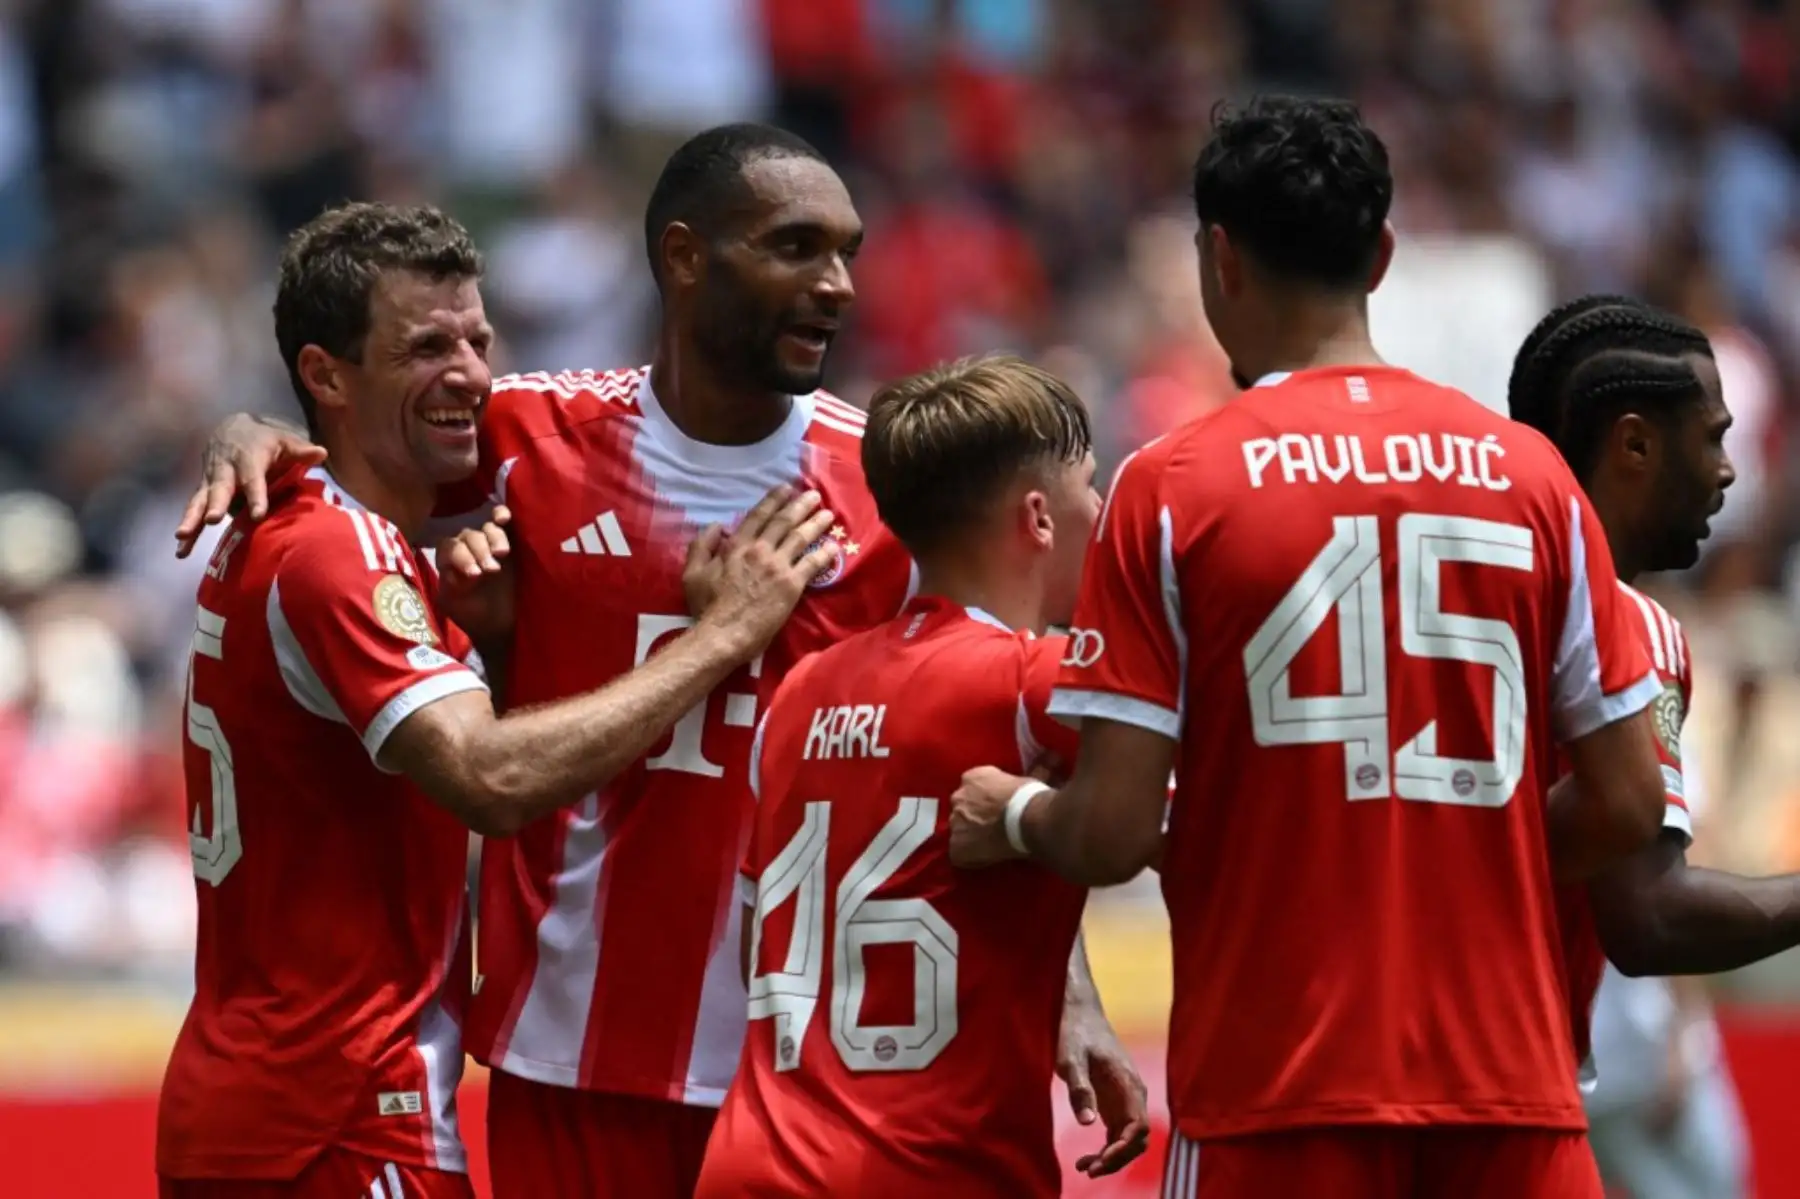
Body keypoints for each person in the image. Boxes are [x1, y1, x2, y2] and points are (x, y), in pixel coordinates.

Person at [172, 125, 1140, 1198]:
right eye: (796, 247)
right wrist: (257, 432)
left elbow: (989, 743)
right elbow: (353, 467)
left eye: (847, 252)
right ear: (684, 256)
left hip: (804, 1077)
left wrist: (1070, 992)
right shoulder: (521, 440)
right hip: (571, 1060)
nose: (836, 284)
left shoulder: (884, 489)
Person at [946, 96, 1673, 1199]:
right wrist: (1458, 857)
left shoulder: (1169, 486)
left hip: (1277, 1095)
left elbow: (1111, 830)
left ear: (1218, 258)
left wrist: (1012, 812)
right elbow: (1626, 802)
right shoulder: (1534, 478)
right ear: (1382, 255)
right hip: (1510, 1095)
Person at [156, 202, 835, 1199]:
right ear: (326, 376)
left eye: (477, 340)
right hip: (334, 1111)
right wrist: (726, 634)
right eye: (426, 347)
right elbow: (489, 776)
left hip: (267, 1098)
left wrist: (502, 640)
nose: (471, 375)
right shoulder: (340, 554)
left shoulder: (305, 522)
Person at [696, 355, 1148, 1198]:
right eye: (1090, 485)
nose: (1100, 513)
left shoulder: (798, 694)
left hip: (752, 1161)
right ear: (1038, 517)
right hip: (928, 1167)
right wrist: (1027, 815)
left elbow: (760, 943)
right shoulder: (1037, 681)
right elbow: (1198, 822)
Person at [1507, 294, 1765, 1198]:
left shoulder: (1471, 592)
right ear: (1635, 445)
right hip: (1510, 1092)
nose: (1728, 470)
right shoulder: (1628, 627)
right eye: (1713, 437)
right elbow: (1648, 917)